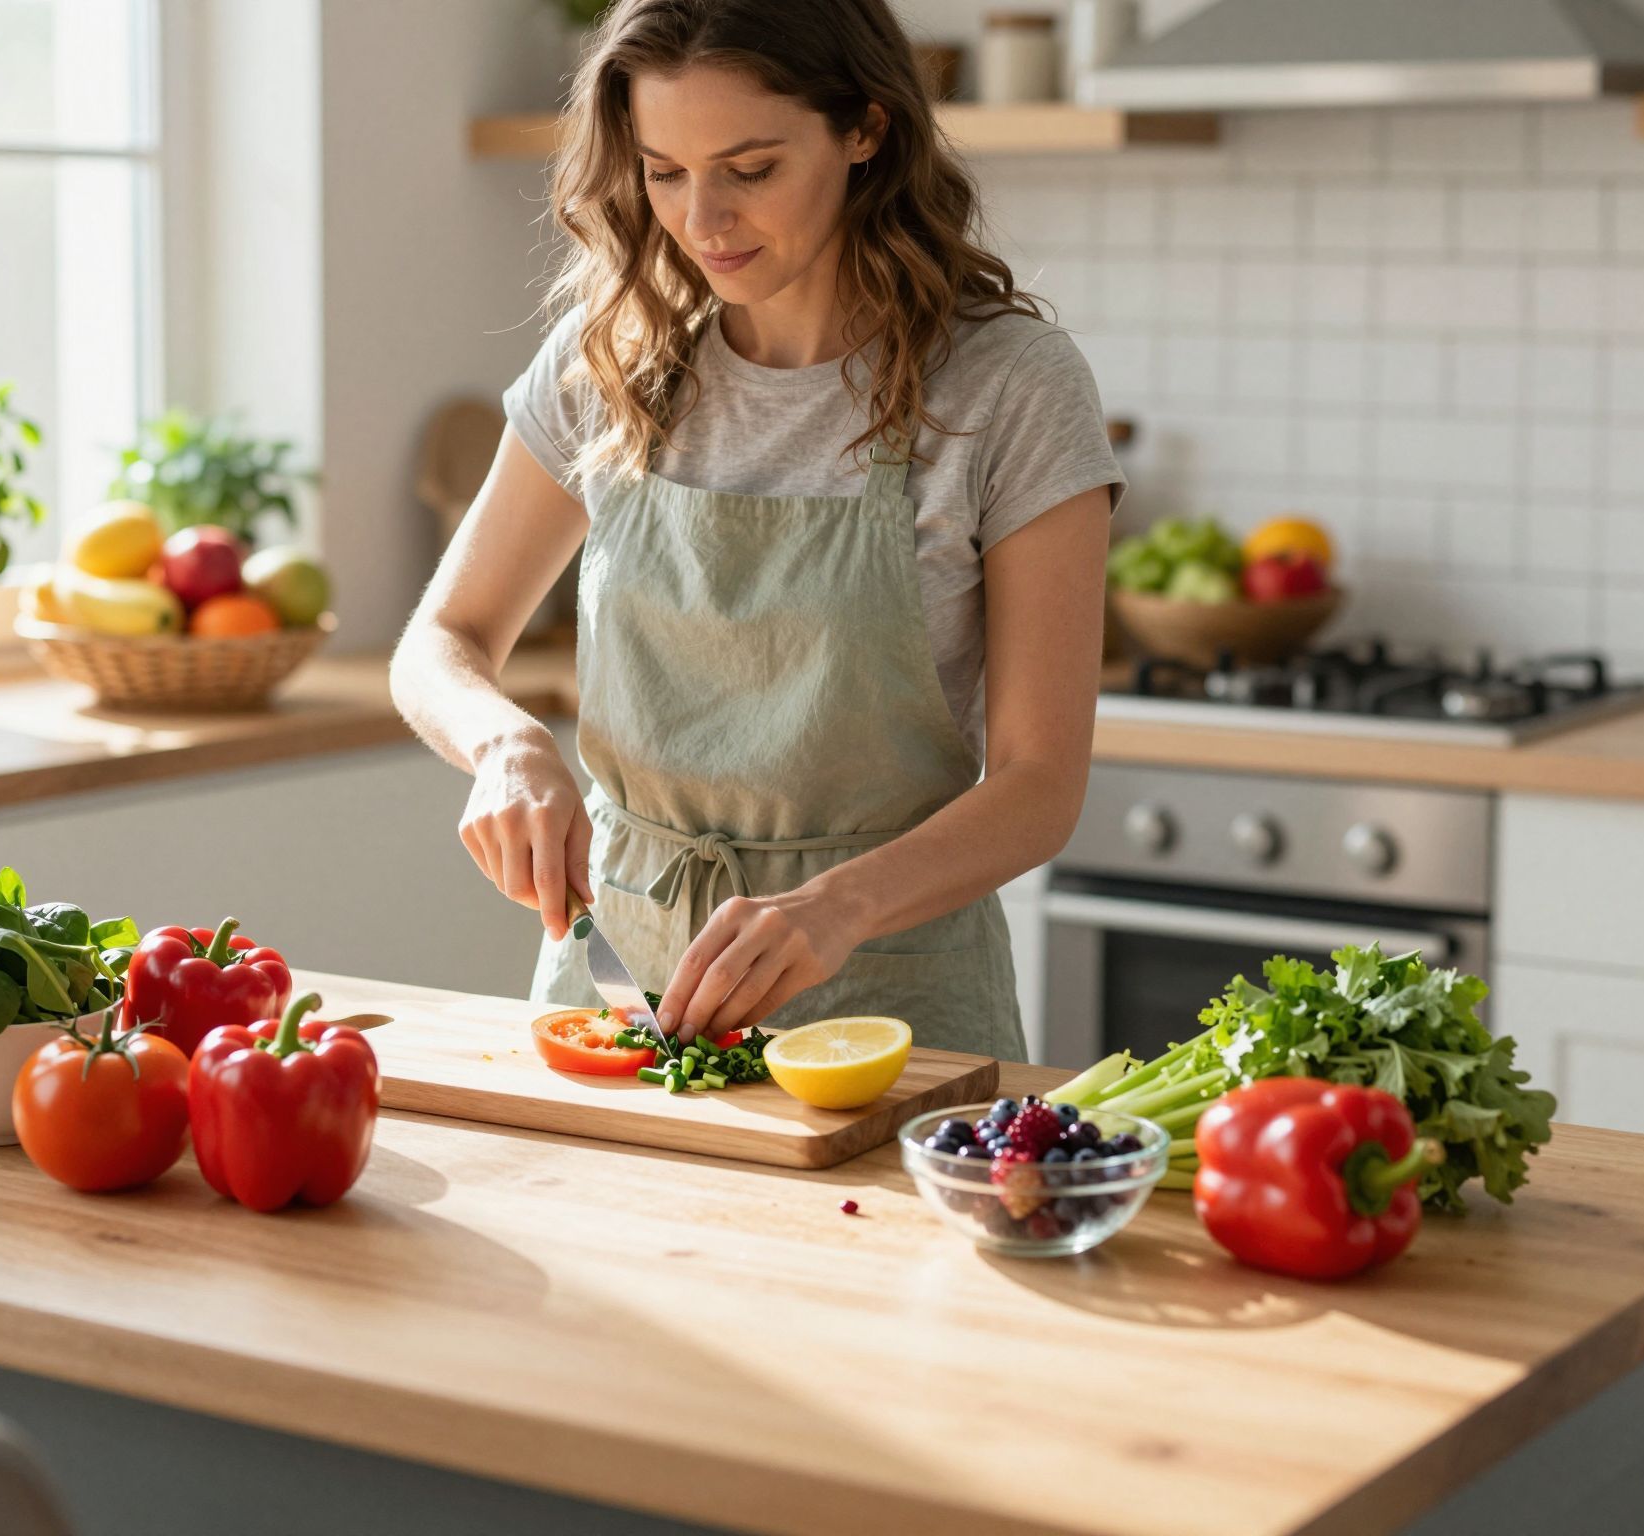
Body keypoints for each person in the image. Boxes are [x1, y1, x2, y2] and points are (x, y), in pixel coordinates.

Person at [391, 0, 1122, 1058]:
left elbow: (1038, 786)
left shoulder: (1007, 385)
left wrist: (836, 907)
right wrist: (503, 746)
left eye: (749, 168)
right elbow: (442, 639)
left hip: (889, 1006)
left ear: (864, 129)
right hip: (613, 990)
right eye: (664, 171)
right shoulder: (611, 359)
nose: (703, 220)